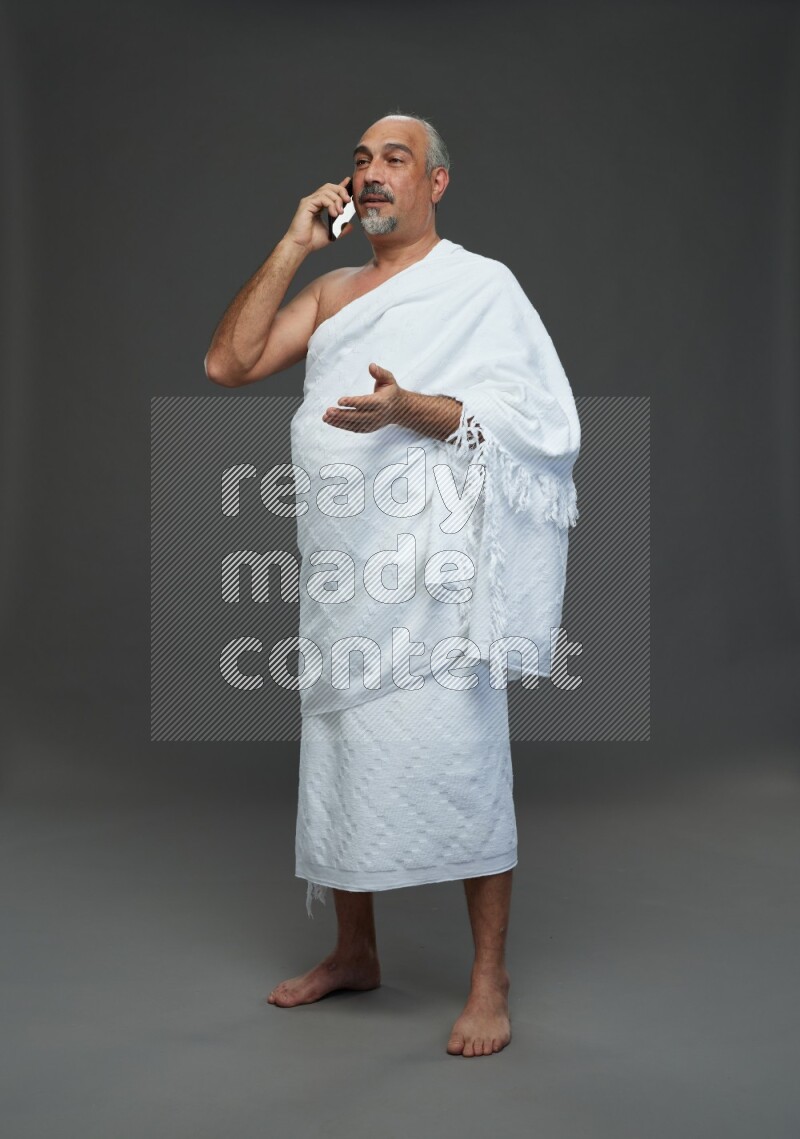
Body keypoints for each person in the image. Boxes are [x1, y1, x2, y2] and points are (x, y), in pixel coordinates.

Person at [204, 112, 580, 1057]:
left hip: (438, 580)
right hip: (345, 566)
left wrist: (406, 407)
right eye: (362, 160)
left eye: (395, 161)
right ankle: (354, 950)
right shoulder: (333, 292)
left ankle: (488, 976)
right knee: (343, 755)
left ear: (436, 183)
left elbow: (536, 421)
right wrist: (294, 244)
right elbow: (229, 362)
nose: (372, 175)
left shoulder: (481, 288)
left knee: (465, 759)